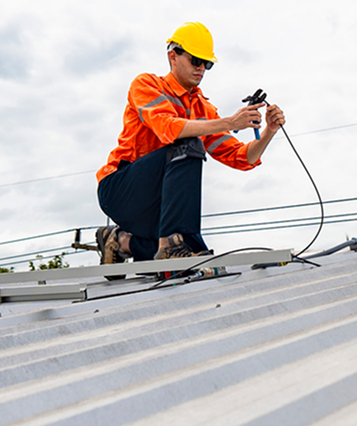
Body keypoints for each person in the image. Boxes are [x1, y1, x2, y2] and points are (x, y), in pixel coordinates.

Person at [92, 22, 285, 266]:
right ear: (173, 56)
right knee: (187, 144)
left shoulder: (203, 109)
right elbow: (169, 128)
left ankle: (120, 242)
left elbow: (241, 157)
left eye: (208, 64)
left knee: (194, 250)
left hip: (160, 203)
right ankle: (169, 248)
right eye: (196, 60)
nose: (202, 68)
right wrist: (229, 121)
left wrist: (269, 130)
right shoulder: (147, 85)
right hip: (120, 189)